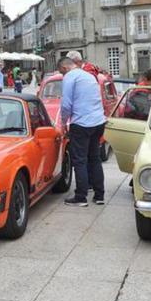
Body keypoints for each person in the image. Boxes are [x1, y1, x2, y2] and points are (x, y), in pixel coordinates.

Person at [58, 57, 107, 207]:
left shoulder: (69, 77)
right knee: (95, 158)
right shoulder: (89, 76)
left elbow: (66, 105)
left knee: (80, 160)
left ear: (65, 68)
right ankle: (99, 195)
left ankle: (81, 196)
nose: (62, 75)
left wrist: (63, 122)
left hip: (81, 124)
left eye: (61, 72)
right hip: (98, 122)